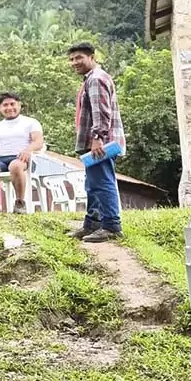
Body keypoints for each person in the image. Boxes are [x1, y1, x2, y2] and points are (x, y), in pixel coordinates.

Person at [68, 42, 126, 242]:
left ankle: (111, 226)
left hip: (101, 142)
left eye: (79, 58)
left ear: (92, 57)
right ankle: (91, 223)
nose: (74, 62)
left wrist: (97, 138)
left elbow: (101, 112)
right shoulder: (91, 79)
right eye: (72, 59)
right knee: (92, 183)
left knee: (102, 182)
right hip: (96, 141)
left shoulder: (96, 79)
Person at [0, 93, 44, 215]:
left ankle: (19, 202)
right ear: (0, 108)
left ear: (19, 105)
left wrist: (28, 150)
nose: (9, 108)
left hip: (22, 158)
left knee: (15, 166)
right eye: (5, 105)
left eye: (12, 104)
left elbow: (38, 142)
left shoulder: (31, 122)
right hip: (1, 159)